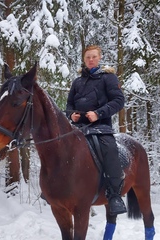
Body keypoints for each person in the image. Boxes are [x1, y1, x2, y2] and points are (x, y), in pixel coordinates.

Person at [66, 45, 127, 215]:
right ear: (84, 60)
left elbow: (118, 101)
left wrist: (98, 114)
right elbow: (69, 104)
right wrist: (72, 115)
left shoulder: (109, 78)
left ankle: (114, 195)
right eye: (87, 57)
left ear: (99, 58)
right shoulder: (77, 82)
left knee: (109, 149)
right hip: (78, 128)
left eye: (93, 57)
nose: (90, 60)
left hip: (101, 127)